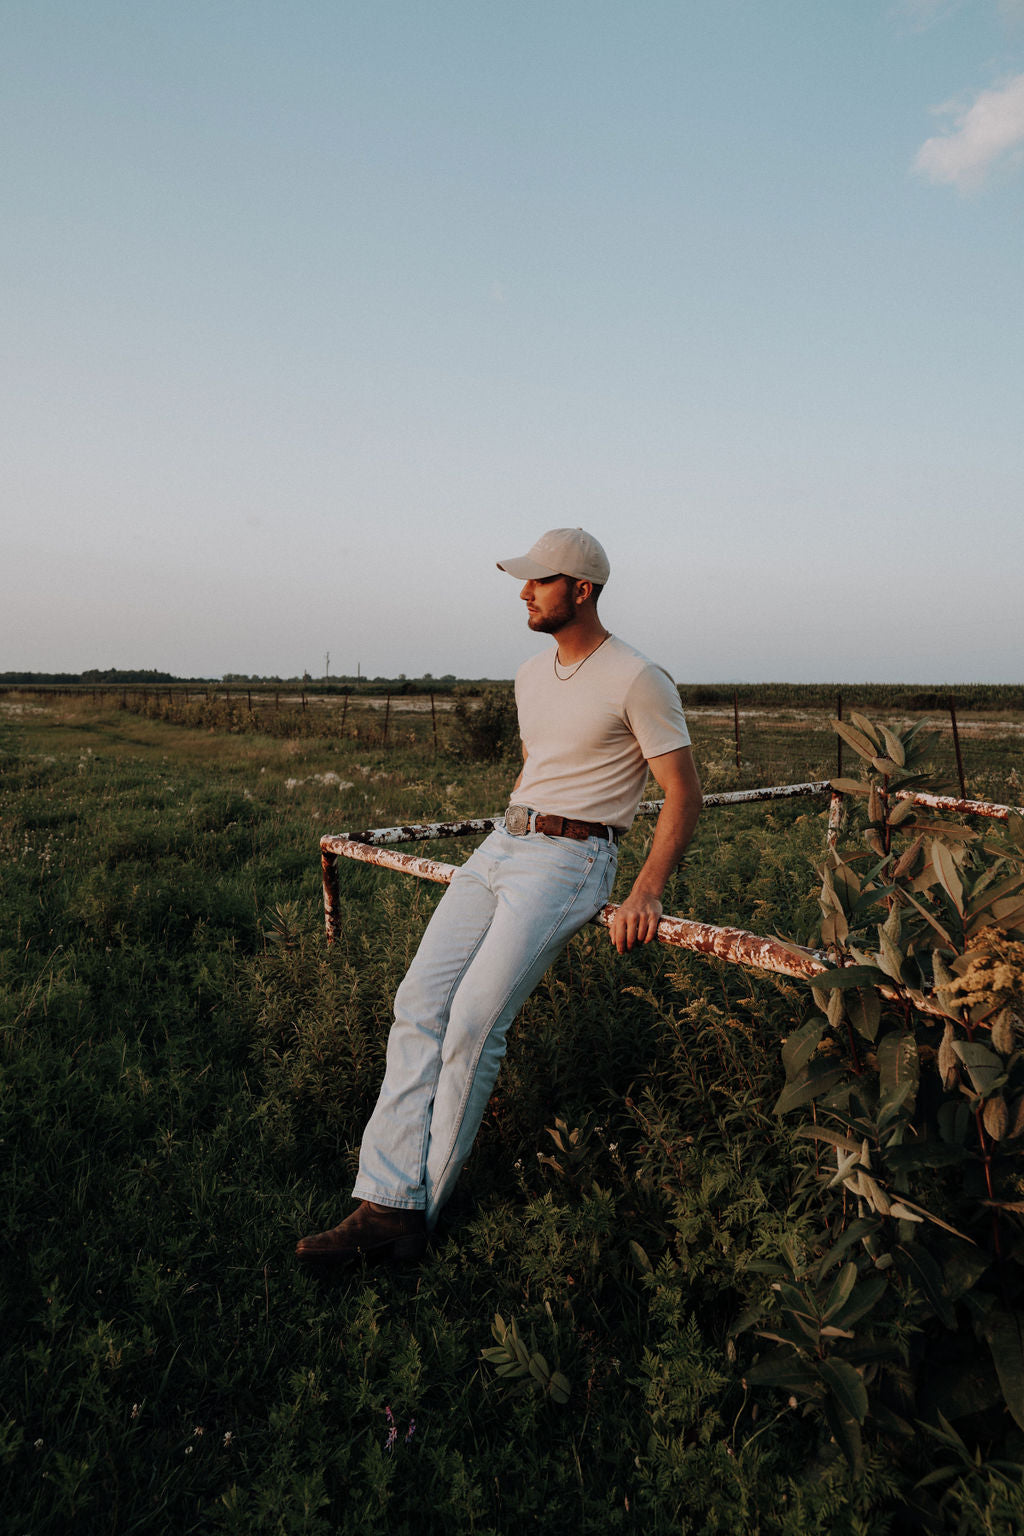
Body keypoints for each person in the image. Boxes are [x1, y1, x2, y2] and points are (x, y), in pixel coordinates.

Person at [296, 528, 702, 1268]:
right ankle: (381, 1197)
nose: (523, 592)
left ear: (581, 590)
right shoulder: (529, 674)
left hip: (572, 859)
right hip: (500, 845)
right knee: (418, 1003)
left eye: (539, 581)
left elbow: (683, 791)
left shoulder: (639, 677)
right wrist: (507, 838)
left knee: (473, 1027)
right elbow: (539, 767)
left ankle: (413, 1216)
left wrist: (646, 889)